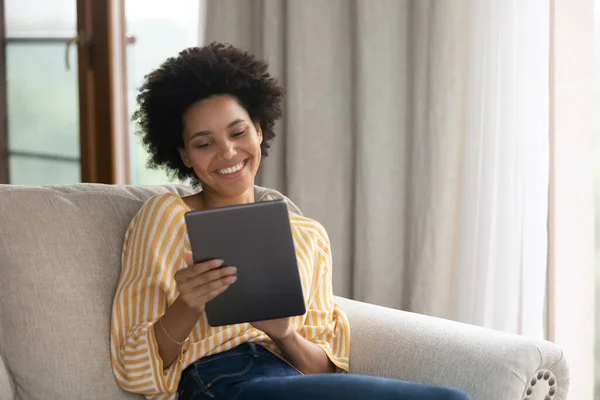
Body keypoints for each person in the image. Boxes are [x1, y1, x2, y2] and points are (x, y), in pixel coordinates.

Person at [110, 42, 470, 400]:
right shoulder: (167, 217)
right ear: (185, 155)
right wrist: (186, 305)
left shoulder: (308, 236)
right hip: (217, 382)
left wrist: (285, 334)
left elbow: (327, 370)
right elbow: (133, 371)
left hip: (291, 380)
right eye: (205, 144)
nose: (228, 153)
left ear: (259, 131)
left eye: (238, 133)